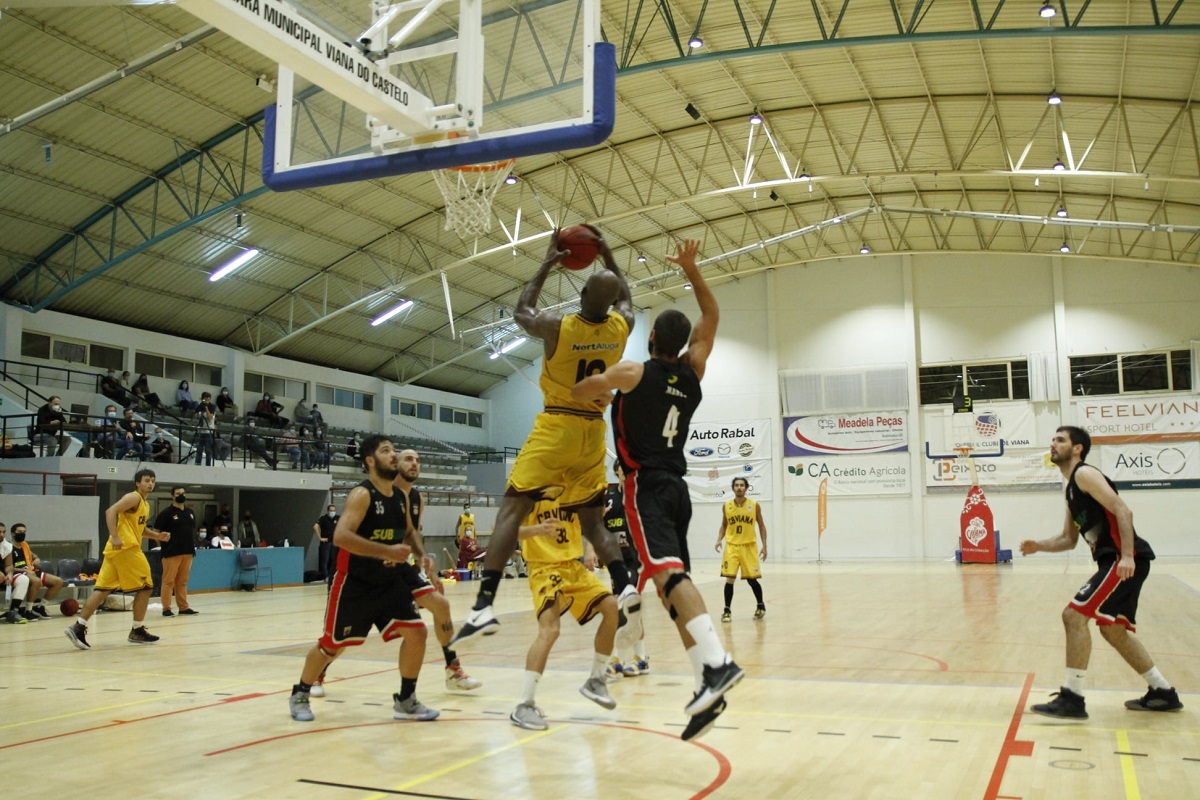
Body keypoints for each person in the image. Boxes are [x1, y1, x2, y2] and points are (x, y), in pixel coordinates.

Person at [572, 238, 743, 741]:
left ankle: (716, 664)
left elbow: (582, 391)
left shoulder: (633, 372)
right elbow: (711, 313)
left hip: (644, 486)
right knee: (672, 590)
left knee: (668, 579)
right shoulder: (694, 369)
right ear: (683, 341)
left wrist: (592, 381)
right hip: (679, 489)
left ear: (650, 341)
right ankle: (703, 688)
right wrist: (692, 268)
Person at [453, 226, 639, 645]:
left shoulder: (559, 326)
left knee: (511, 512)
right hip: (593, 433)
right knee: (592, 521)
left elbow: (522, 310)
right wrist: (607, 252)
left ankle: (483, 606)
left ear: (582, 296)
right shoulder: (621, 327)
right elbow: (626, 298)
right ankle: (625, 584)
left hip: (558, 423)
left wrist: (548, 263)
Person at [1020, 426, 1183, 719]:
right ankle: (1162, 692)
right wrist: (1038, 546)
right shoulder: (1071, 489)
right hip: (1117, 560)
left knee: (1073, 616)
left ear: (1077, 448)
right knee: (1113, 630)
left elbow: (1123, 510)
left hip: (1122, 560)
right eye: (1052, 439)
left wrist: (1128, 556)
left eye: (1060, 440)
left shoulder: (1085, 474)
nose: (1052, 444)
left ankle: (1073, 698)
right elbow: (1068, 539)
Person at [288, 435, 438, 723]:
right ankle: (301, 692)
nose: (393, 455)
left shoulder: (401, 497)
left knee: (417, 632)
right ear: (370, 461)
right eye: (386, 451)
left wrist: (421, 555)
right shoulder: (362, 494)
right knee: (331, 645)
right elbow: (341, 537)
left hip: (389, 581)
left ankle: (406, 700)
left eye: (394, 450)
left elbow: (409, 532)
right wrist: (387, 550)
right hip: (354, 583)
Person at [308, 449, 481, 698]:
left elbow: (411, 534)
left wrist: (425, 564)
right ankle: (318, 674)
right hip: (359, 571)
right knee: (343, 637)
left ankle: (453, 670)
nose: (414, 464)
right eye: (408, 459)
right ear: (393, 464)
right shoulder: (372, 493)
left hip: (396, 568)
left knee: (440, 605)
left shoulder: (416, 499)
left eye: (418, 460)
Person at [509, 498, 620, 730]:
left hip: (572, 567)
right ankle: (524, 704)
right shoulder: (531, 489)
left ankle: (596, 679)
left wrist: (591, 546)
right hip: (544, 567)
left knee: (611, 607)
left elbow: (590, 524)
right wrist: (537, 530)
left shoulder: (575, 488)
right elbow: (505, 530)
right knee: (550, 630)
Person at [66, 469, 171, 649]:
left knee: (102, 589)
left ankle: (78, 626)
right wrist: (114, 536)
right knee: (146, 587)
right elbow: (110, 511)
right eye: (146, 480)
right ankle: (137, 630)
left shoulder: (144, 504)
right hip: (126, 549)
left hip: (116, 552)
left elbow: (139, 528)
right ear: (138, 483)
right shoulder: (134, 497)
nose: (150, 483)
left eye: (152, 480)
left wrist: (156, 536)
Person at [604, 467, 650, 678]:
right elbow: (599, 525)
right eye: (621, 468)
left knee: (626, 607)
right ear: (617, 472)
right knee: (626, 610)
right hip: (616, 561)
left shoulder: (639, 495)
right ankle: (640, 658)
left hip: (635, 560)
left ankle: (618, 659)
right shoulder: (609, 496)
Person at [716, 476, 768, 622]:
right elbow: (724, 525)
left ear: (746, 488)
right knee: (729, 579)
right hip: (732, 546)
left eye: (742, 485)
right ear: (733, 488)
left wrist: (764, 546)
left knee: (752, 580)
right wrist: (719, 539)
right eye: (737, 485)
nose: (739, 487)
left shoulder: (754, 505)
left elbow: (762, 526)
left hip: (749, 546)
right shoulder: (726, 505)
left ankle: (760, 605)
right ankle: (727, 611)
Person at [5, 523, 66, 621]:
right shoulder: (8, 547)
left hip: (30, 571)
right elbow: (8, 567)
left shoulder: (24, 545)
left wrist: (36, 559)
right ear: (12, 533)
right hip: (19, 573)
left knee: (58, 581)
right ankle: (28, 611)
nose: (22, 534)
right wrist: (24, 570)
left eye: (24, 532)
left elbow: (34, 555)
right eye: (19, 532)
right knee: (36, 581)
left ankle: (39, 607)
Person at [156, 486, 199, 617]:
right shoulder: (166, 513)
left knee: (182, 581)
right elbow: (157, 533)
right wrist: (163, 546)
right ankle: (166, 608)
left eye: (183, 493)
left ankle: (183, 607)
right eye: (178, 493)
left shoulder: (190, 512)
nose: (181, 495)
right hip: (171, 552)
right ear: (172, 496)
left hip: (187, 551)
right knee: (168, 581)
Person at [313, 504, 338, 582]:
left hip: (334, 542)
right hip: (326, 543)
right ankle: (325, 577)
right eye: (331, 510)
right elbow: (315, 526)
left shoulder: (338, 518)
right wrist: (320, 538)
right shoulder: (323, 518)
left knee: (333, 560)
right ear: (328, 511)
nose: (332, 512)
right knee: (325, 560)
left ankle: (332, 577)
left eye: (334, 510)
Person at [194, 392, 217, 465]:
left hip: (208, 431)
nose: (207, 400)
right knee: (199, 449)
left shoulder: (212, 406)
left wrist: (206, 408)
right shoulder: (200, 406)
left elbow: (210, 418)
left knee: (208, 450)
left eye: (208, 399)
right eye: (205, 399)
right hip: (200, 431)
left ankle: (208, 465)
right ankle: (198, 463)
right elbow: (195, 416)